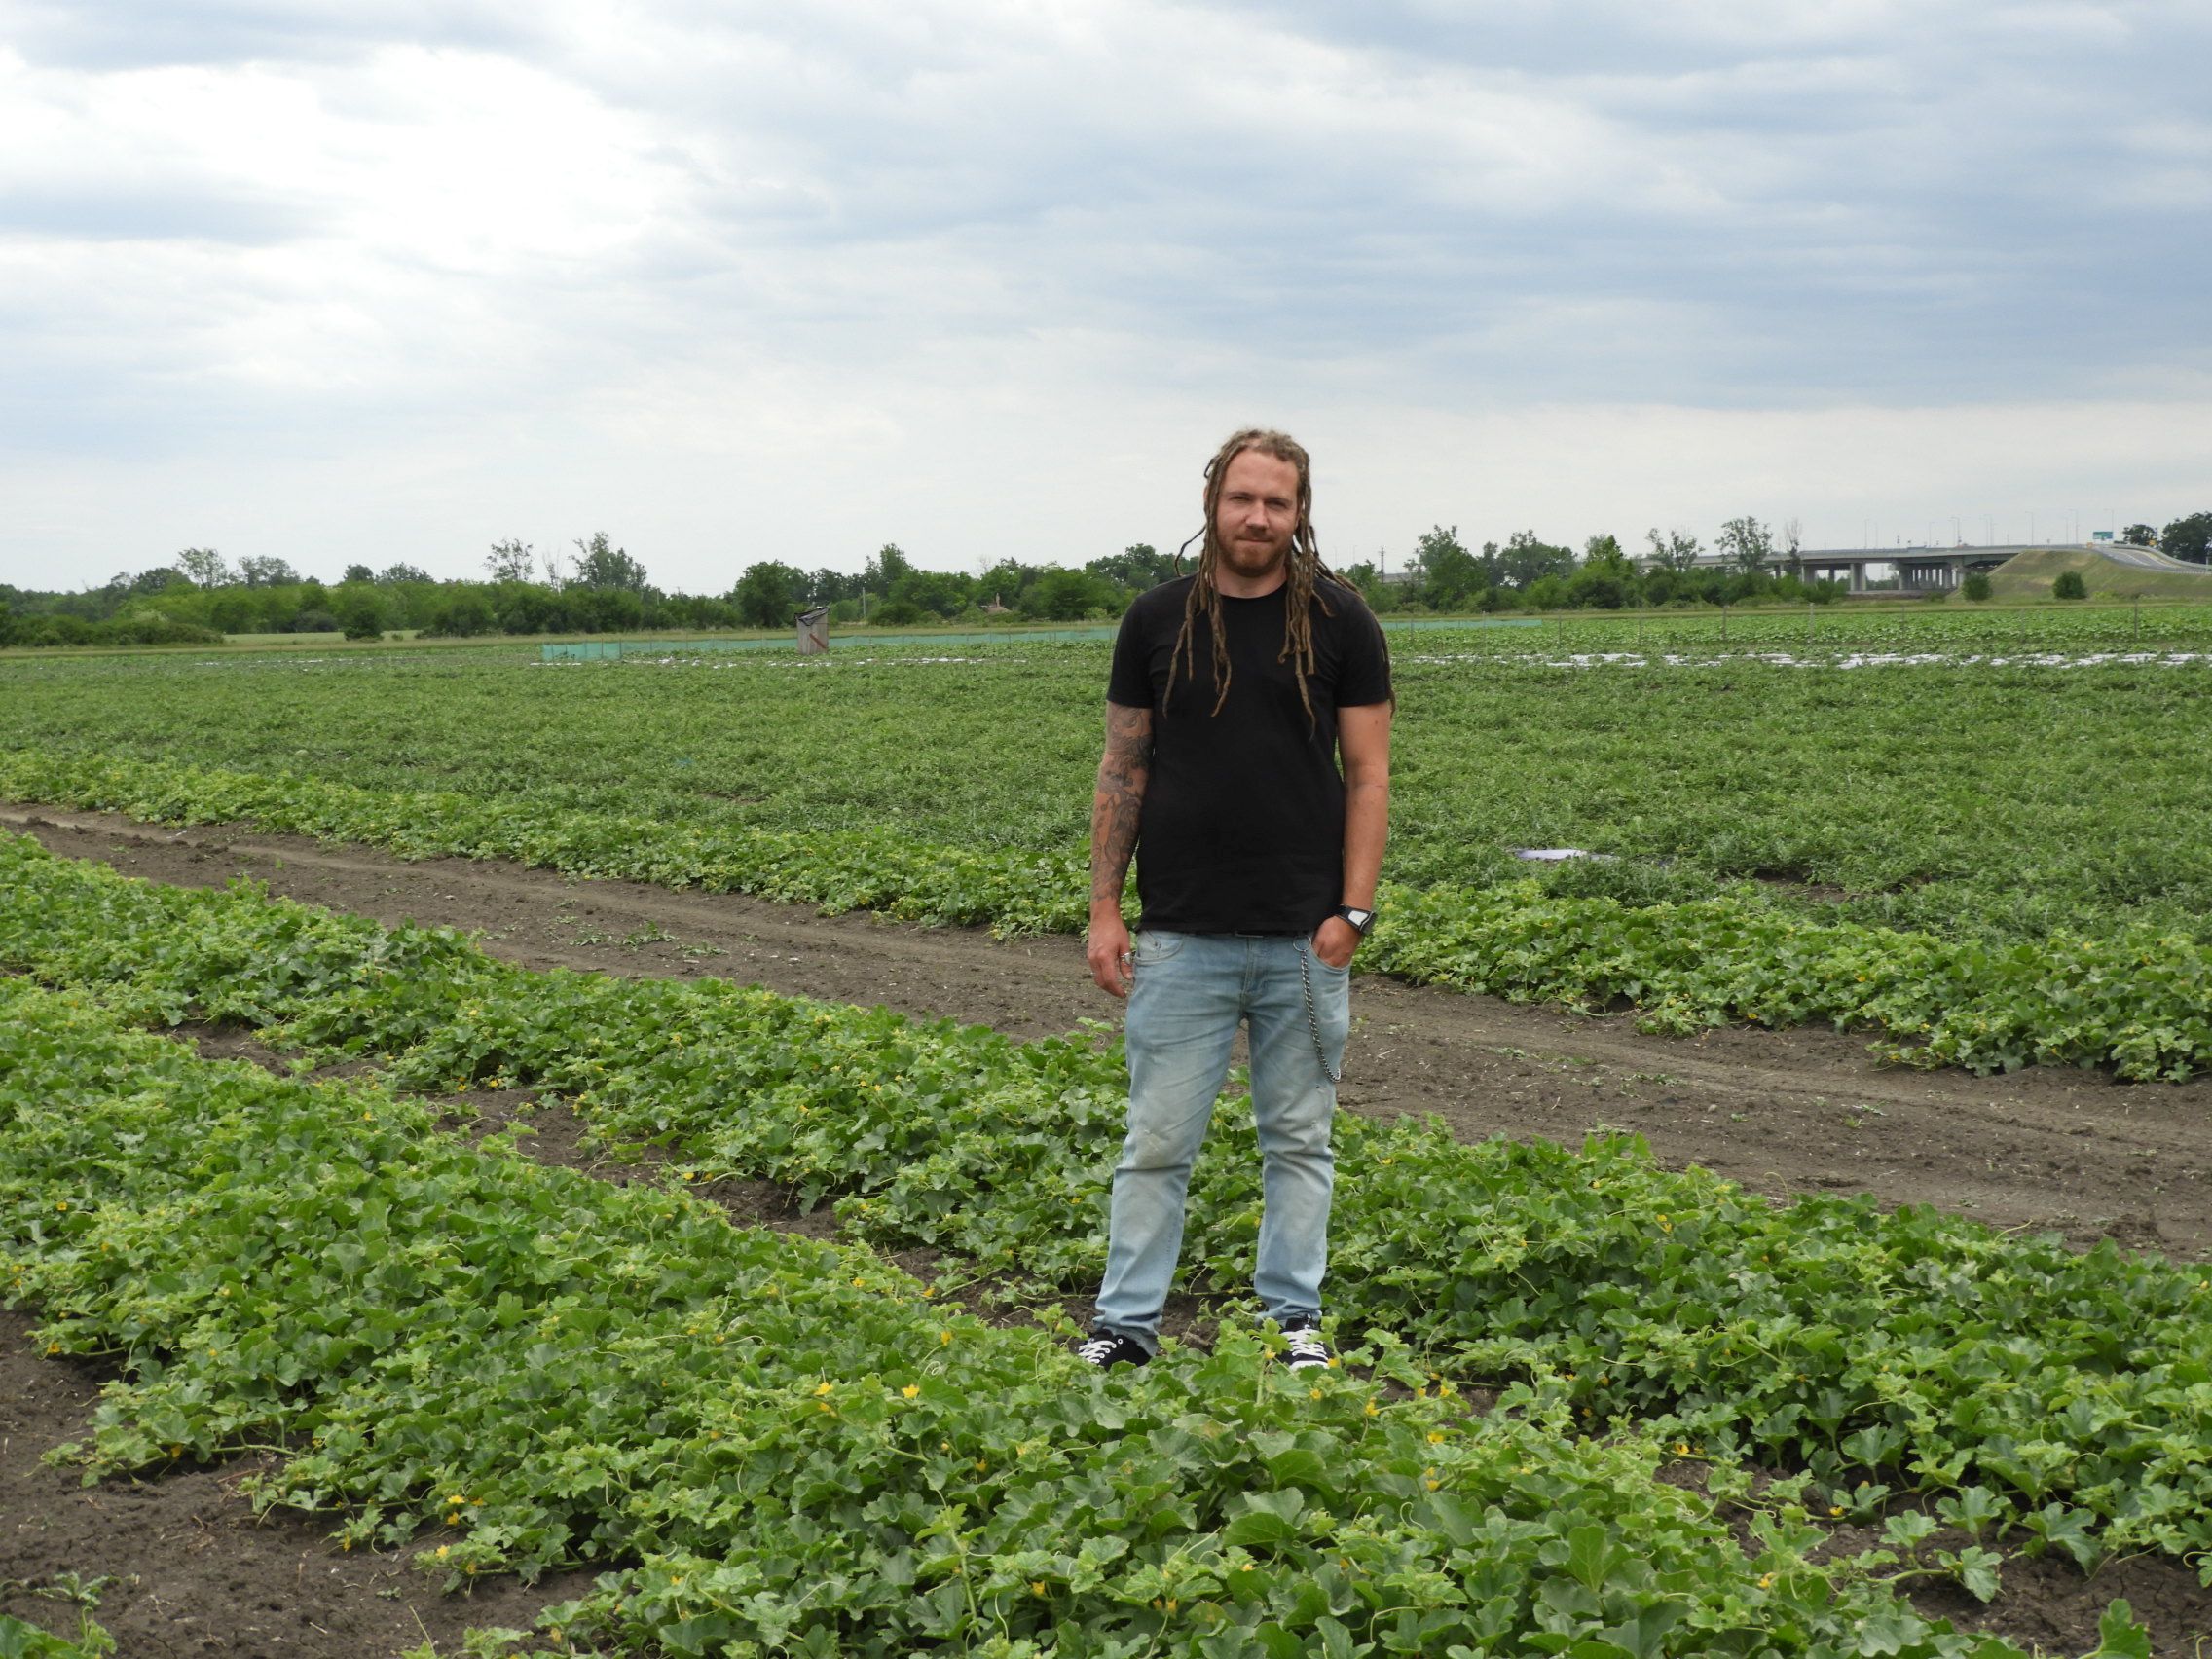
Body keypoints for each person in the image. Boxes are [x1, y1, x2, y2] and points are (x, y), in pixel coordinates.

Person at [1078, 426, 1393, 1372]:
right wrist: (1103, 908)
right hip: (1182, 937)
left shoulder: (1340, 622)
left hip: (1304, 936)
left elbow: (1369, 776)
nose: (1257, 517)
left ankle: (1293, 1321)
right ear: (1213, 501)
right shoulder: (1155, 620)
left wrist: (1353, 912)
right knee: (1156, 1144)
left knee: (1298, 1142)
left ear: (1300, 515)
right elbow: (1121, 767)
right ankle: (1125, 1328)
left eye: (1277, 503)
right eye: (1241, 498)